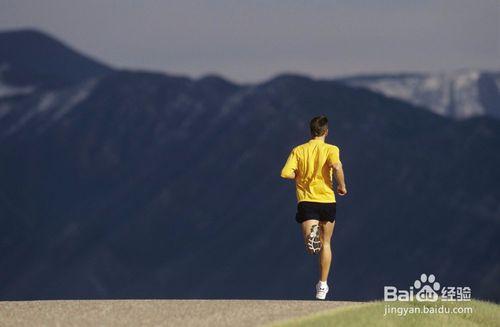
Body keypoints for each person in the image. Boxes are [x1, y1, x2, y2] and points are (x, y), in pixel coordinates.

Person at [280, 115, 347, 300]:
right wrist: (341, 185)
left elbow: (285, 173)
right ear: (326, 131)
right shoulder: (332, 149)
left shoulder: (299, 150)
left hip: (307, 200)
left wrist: (299, 175)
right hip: (327, 200)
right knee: (326, 243)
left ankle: (312, 235)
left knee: (311, 249)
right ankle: (323, 285)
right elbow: (337, 166)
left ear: (311, 131)